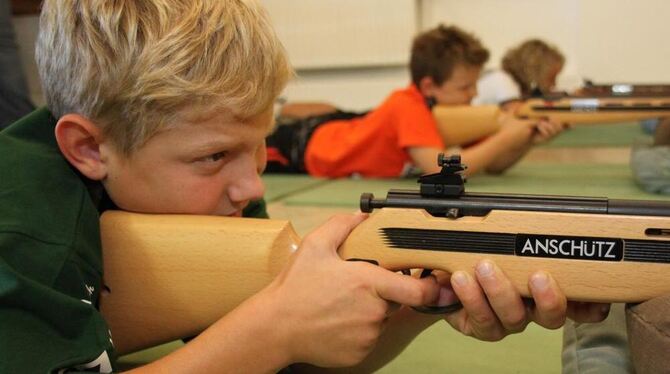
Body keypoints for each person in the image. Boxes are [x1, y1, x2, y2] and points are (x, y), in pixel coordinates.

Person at [0, 2, 607, 372]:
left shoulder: (222, 195)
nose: (250, 186)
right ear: (88, 148)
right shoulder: (22, 232)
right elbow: (265, 343)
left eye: (259, 144)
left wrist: (426, 296)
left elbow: (295, 359)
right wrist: (273, 330)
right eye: (212, 156)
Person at [266, 25, 565, 178]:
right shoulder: (407, 105)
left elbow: (494, 165)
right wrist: (505, 137)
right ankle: (276, 109)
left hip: (343, 130)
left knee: (343, 115)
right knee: (261, 143)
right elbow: (440, 171)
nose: (474, 94)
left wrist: (525, 139)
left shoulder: (450, 112)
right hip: (306, 149)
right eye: (465, 86)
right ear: (429, 86)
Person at [473, 38, 565, 106]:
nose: (554, 84)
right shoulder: (502, 80)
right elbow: (518, 115)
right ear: (536, 71)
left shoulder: (505, 79)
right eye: (551, 77)